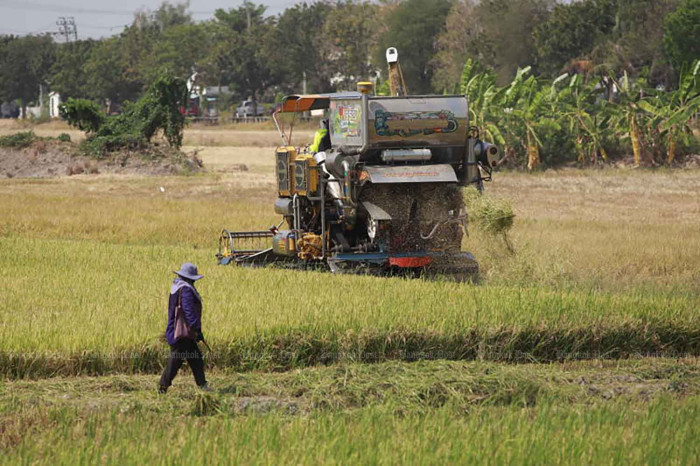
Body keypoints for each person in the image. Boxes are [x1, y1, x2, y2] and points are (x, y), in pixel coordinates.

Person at [159, 262, 211, 393]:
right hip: (182, 333)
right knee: (176, 360)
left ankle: (202, 384)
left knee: (195, 358)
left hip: (178, 331)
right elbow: (188, 311)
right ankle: (163, 387)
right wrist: (196, 329)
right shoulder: (186, 290)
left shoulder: (176, 287)